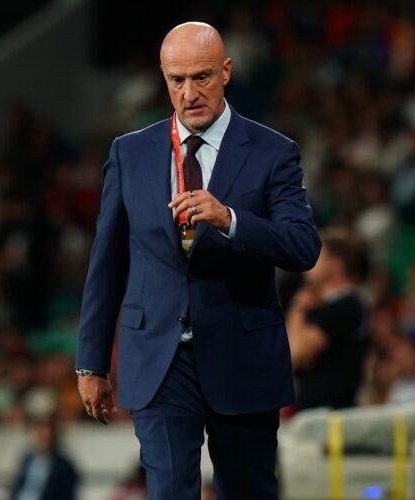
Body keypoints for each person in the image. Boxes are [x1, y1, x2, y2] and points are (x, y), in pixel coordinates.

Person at [75, 21, 321, 500]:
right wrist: (91, 364)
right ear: (164, 79)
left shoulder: (273, 152)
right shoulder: (129, 153)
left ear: (226, 71)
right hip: (159, 360)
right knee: (169, 491)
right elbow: (107, 264)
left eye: (202, 77)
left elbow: (302, 246)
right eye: (177, 80)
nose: (189, 93)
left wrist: (231, 219)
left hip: (242, 358)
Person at [286, 228, 370, 411]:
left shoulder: (348, 305)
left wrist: (297, 308)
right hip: (312, 410)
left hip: (335, 413)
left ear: (336, 265)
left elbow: (296, 352)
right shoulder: (317, 307)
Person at [10, 416, 79, 500]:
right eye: (40, 436)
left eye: (46, 437)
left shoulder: (64, 467)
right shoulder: (27, 459)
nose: (43, 439)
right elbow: (17, 488)